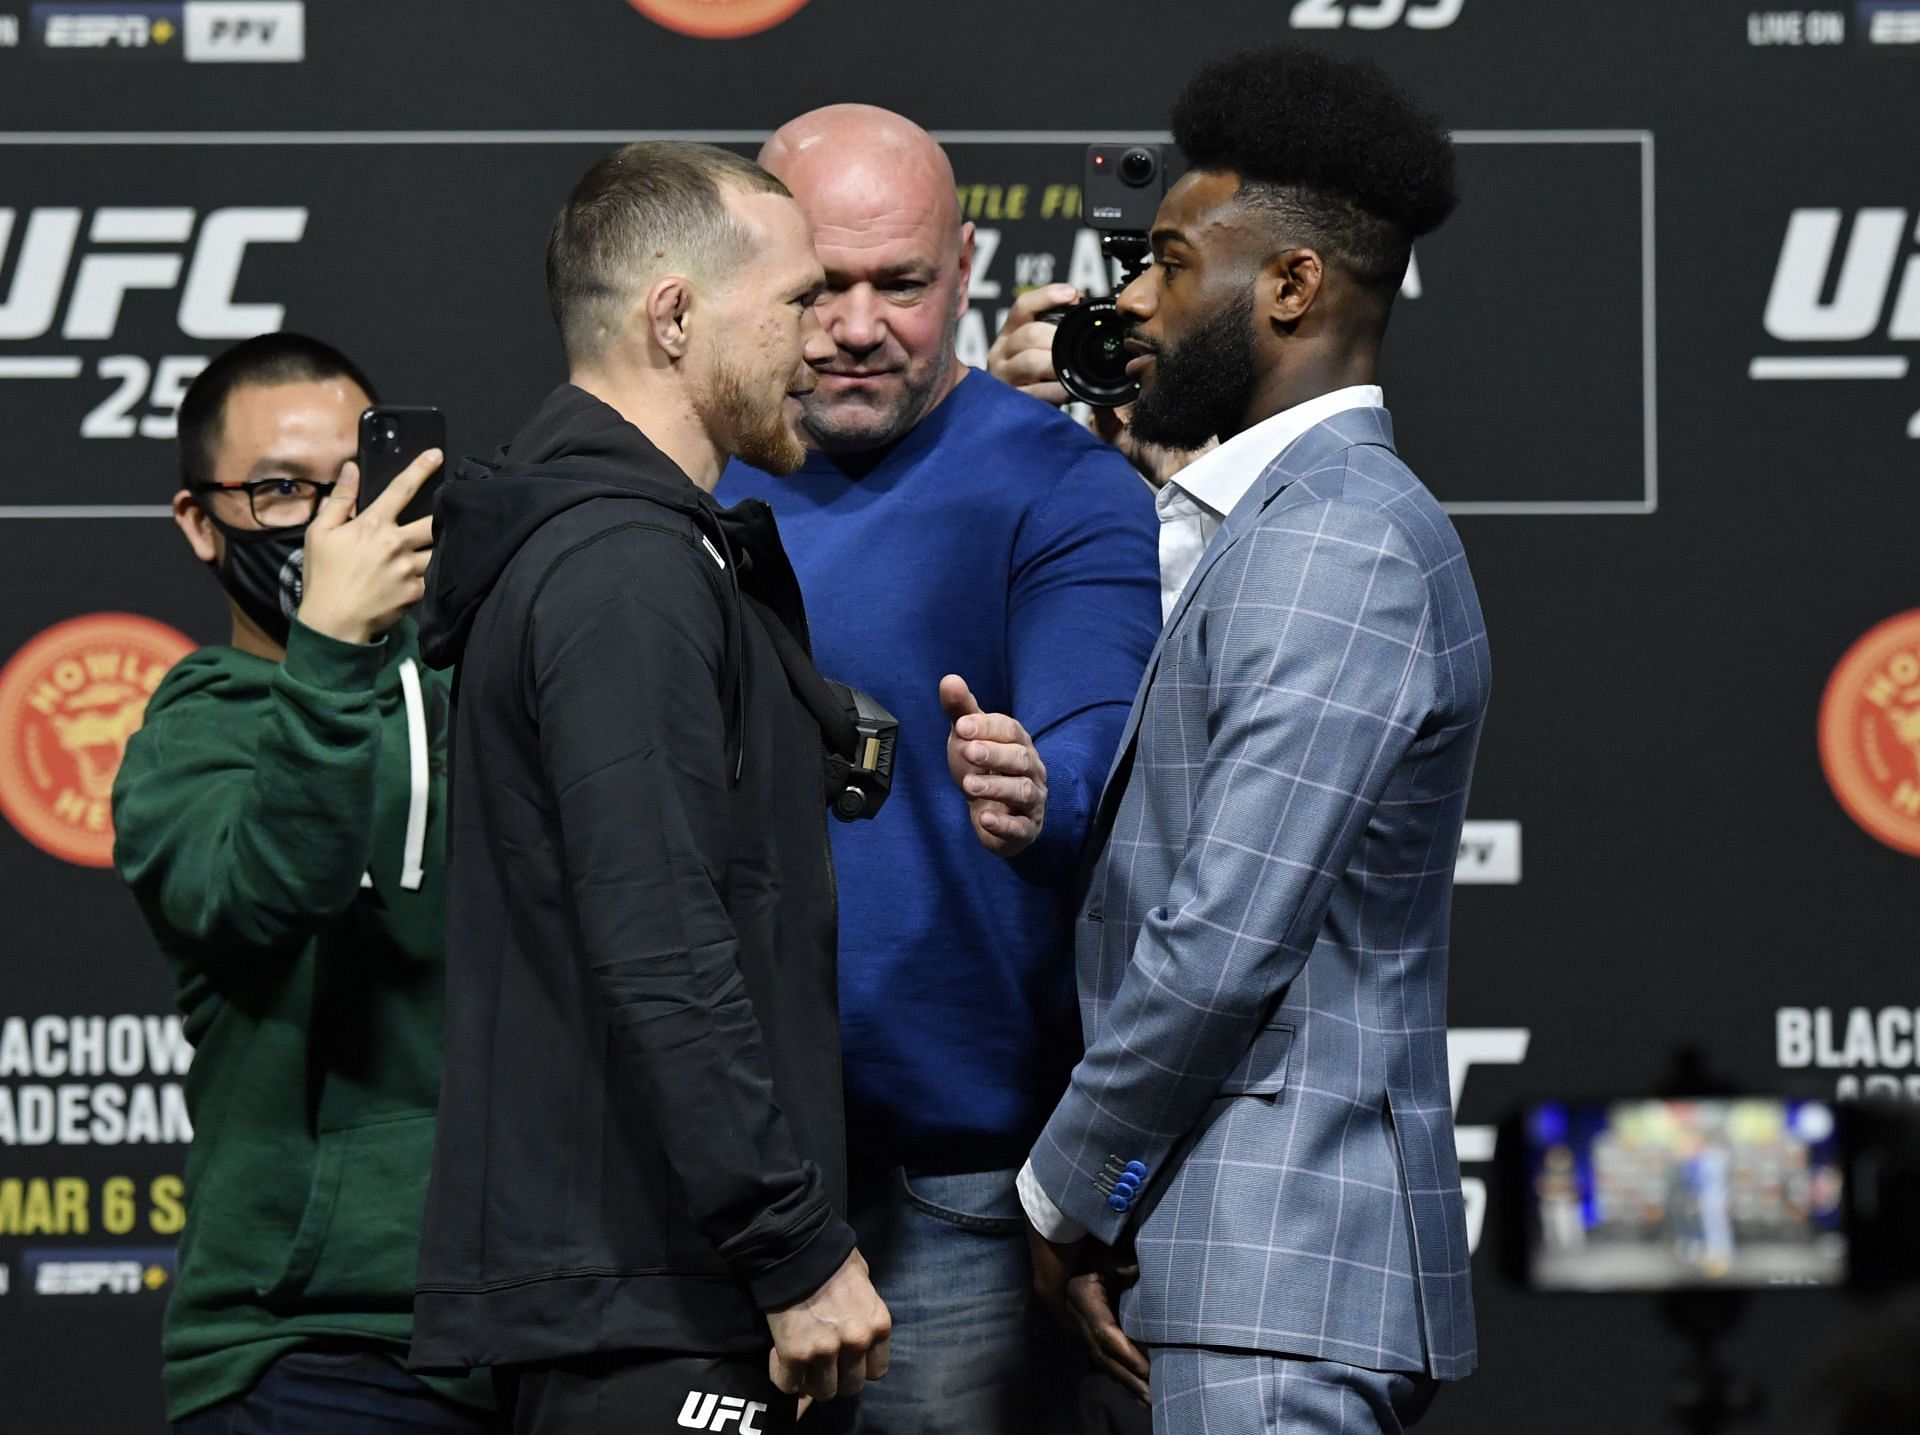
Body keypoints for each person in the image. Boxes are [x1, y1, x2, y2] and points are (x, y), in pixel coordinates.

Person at [1005, 46, 1491, 1433]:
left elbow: (1222, 932)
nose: (1133, 302)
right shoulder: (1264, 524)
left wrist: (1061, 1190)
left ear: (1289, 286)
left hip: (1280, 1274)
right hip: (1229, 1261)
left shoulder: (1338, 538)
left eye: (1166, 263)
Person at [408, 141, 890, 1435]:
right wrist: (790, 1242)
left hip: (655, 1286)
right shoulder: (625, 571)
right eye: (797, 300)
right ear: (674, 316)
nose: (835, 337)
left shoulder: (644, 548)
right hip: (652, 1304)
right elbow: (662, 935)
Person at [717, 106, 1161, 1435]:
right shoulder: (678, 469)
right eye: (822, 285)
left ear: (964, 268)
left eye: (900, 284)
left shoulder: (1062, 484)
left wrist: (1046, 784)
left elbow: (1097, 723)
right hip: (712, 1165)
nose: (858, 326)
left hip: (953, 1176)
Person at [112, 333, 496, 1432]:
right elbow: (268, 891)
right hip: (310, 1351)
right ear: (200, 521)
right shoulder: (190, 737)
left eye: (353, 484)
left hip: (538, 1330)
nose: (330, 526)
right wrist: (331, 645)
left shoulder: (487, 683)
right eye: (283, 491)